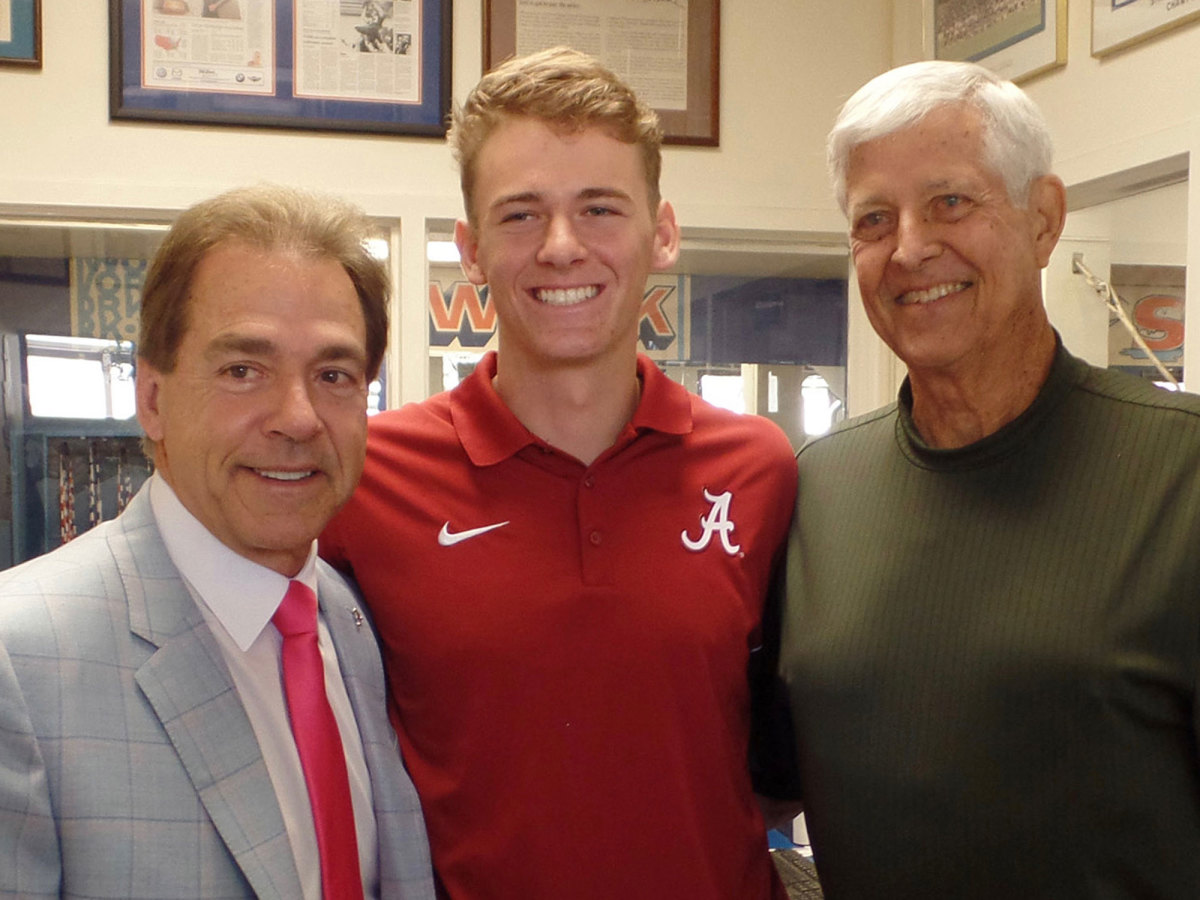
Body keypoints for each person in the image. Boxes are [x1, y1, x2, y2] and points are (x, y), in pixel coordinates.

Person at [321, 47, 797, 899]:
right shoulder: (364, 479)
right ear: (469, 250)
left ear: (663, 234)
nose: (562, 247)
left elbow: (777, 753)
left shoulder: (759, 470)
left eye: (600, 209)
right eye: (520, 215)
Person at [762, 60, 1200, 897]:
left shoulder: (1182, 476)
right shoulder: (817, 490)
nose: (912, 249)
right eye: (874, 220)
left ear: (1043, 220)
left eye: (951, 202)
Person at [0, 184, 436, 899]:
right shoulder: (19, 661)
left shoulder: (353, 623)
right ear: (153, 400)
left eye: (333, 375)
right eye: (243, 370)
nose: (298, 418)